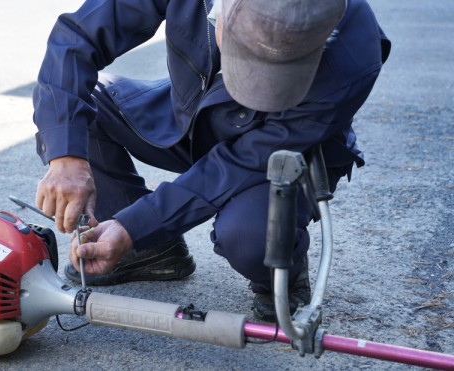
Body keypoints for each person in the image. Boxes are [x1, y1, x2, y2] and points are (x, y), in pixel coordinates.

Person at [31, 0, 390, 321]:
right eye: (246, 59)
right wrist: (66, 158)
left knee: (253, 239)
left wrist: (133, 226)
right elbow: (78, 38)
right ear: (216, 9)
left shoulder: (354, 52)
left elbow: (237, 163)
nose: (256, 84)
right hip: (199, 113)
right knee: (78, 112)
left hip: (282, 147)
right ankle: (153, 253)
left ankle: (283, 272)